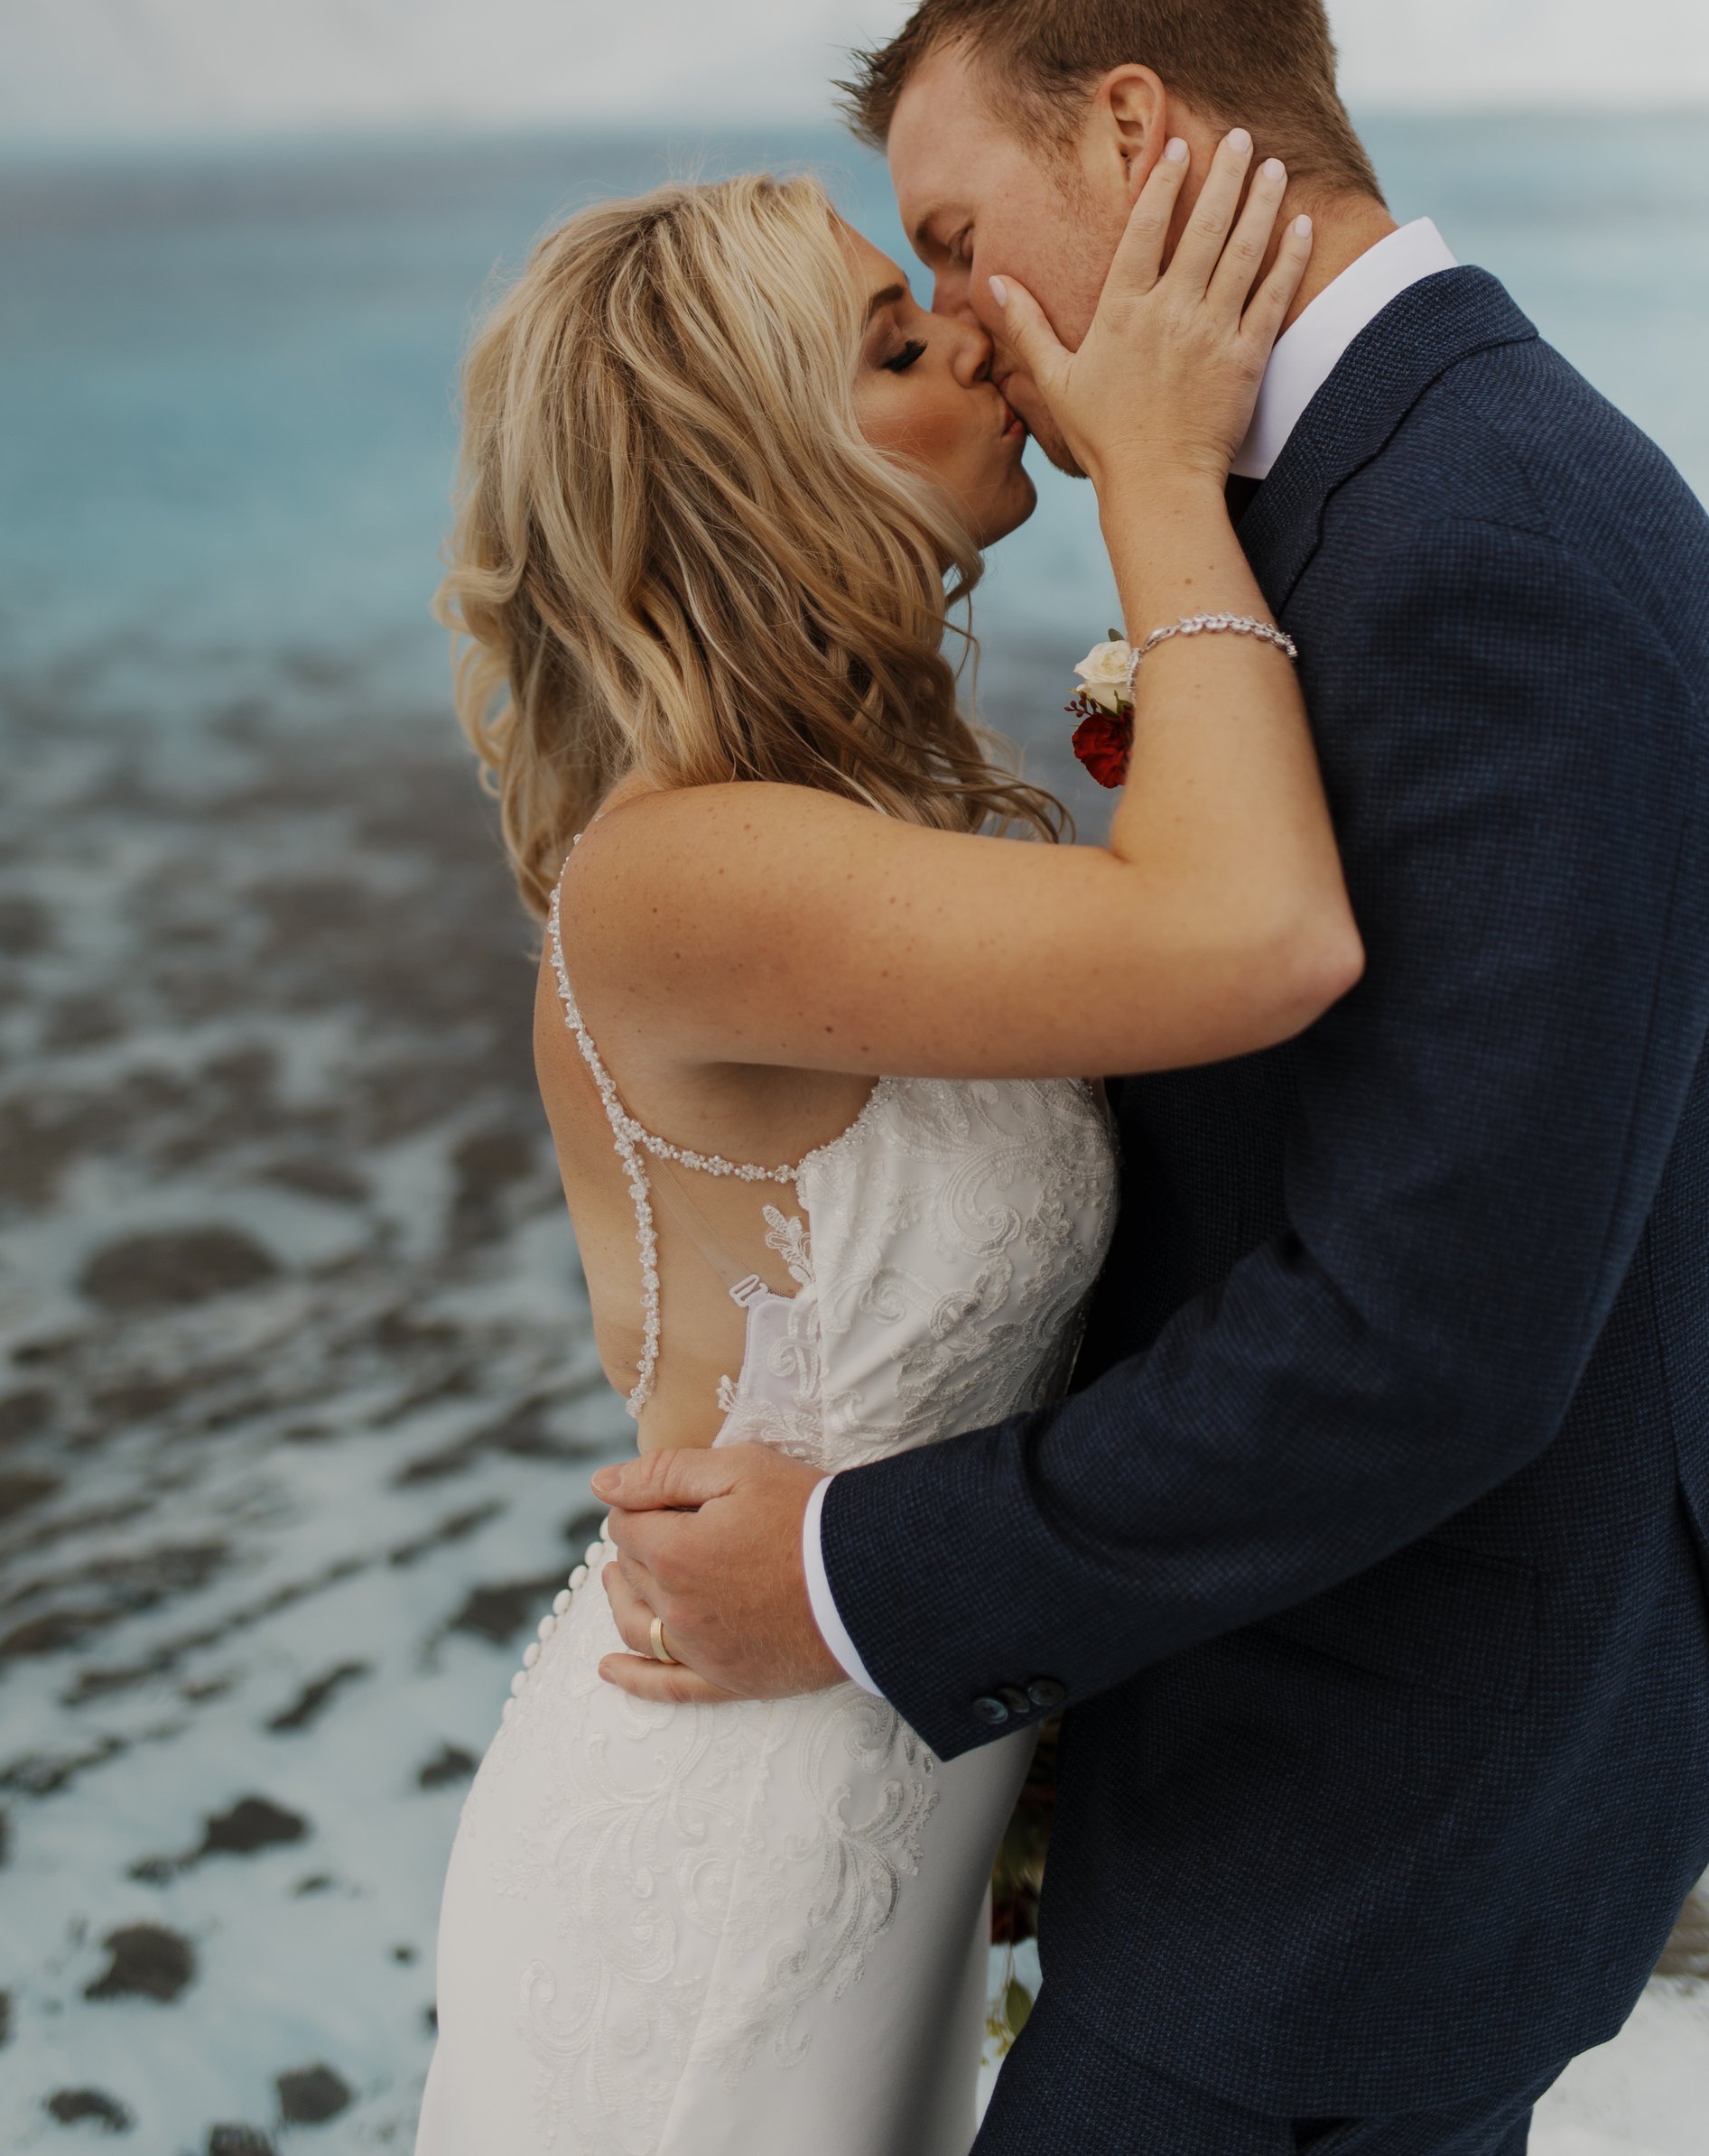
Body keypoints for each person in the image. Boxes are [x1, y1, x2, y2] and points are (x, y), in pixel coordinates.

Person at [594, 0, 1709, 2156]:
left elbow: (1430, 1325)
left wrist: (848, 1567)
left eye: (957, 231)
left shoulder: (1470, 544)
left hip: (1355, 1829)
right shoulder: (1399, 496)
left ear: (1134, 126)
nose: (977, 332)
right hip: (1300, 1758)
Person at [417, 119, 1359, 2155]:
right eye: (884, 340)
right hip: (716, 1862)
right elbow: (1257, 934)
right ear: (751, 459)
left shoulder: (871, 830)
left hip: (891, 1782)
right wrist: (1169, 479)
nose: (969, 340)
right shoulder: (683, 877)